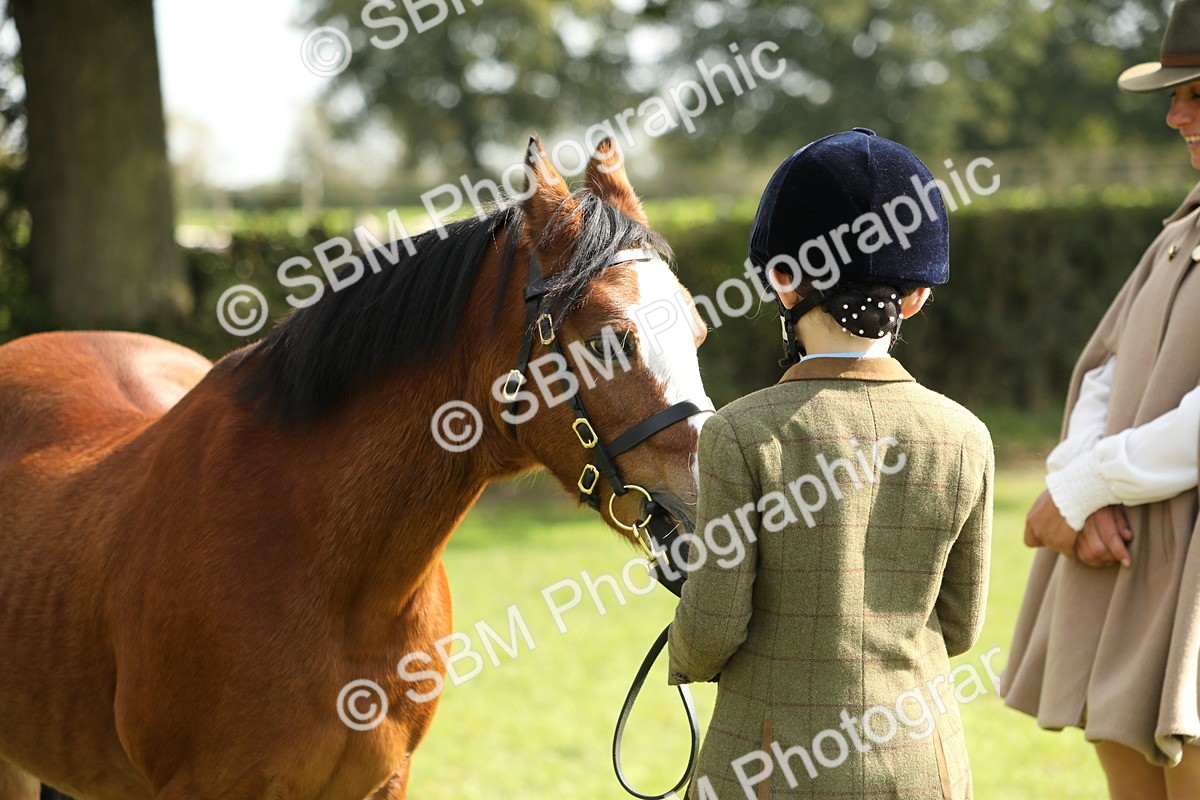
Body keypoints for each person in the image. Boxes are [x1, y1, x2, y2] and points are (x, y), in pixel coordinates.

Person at [668, 128, 994, 800]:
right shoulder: (966, 435)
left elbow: (712, 631)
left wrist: (684, 640)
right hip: (923, 764)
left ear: (784, 285)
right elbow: (959, 626)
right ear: (915, 298)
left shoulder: (738, 433)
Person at [1001, 2, 1200, 797]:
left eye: (1196, 92)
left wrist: (1085, 489)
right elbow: (1107, 369)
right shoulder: (1182, 225)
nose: (1174, 113)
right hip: (1131, 559)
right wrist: (1078, 484)